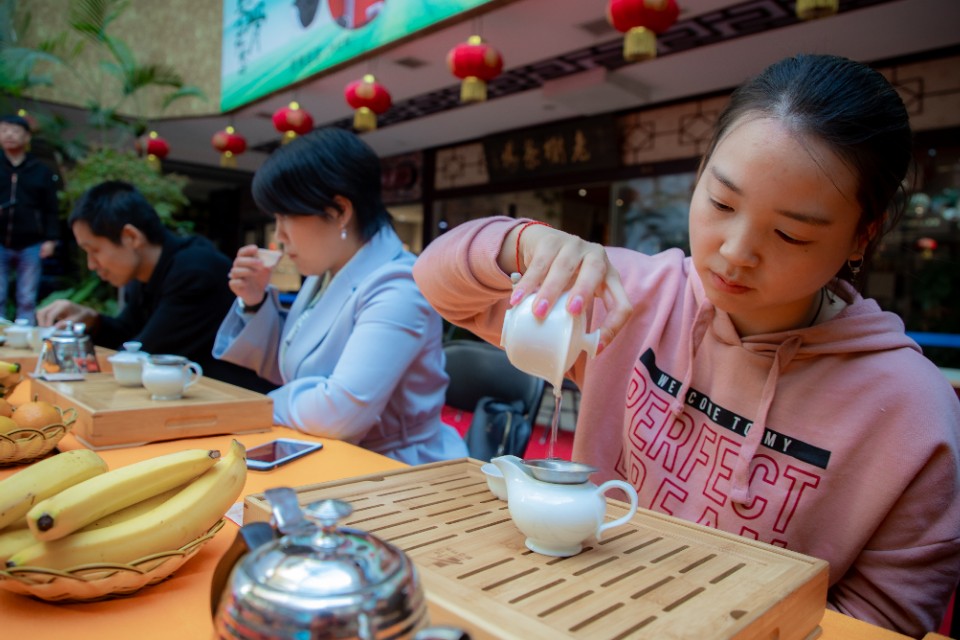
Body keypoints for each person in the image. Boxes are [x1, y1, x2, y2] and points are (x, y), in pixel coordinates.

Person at [413, 54, 960, 638]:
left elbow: (884, 621)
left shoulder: (914, 414)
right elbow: (440, 284)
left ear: (863, 233)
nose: (734, 251)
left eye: (790, 233)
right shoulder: (636, 297)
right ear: (700, 173)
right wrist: (526, 245)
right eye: (721, 203)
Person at [213, 127, 467, 465]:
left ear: (338, 211)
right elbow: (297, 366)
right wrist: (255, 300)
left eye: (286, 215)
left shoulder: (401, 286)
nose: (279, 236)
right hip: (325, 450)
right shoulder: (327, 274)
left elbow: (341, 411)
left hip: (398, 469)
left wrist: (261, 405)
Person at [36, 181, 274, 393]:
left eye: (94, 250)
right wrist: (93, 320)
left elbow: (141, 355)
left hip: (242, 407)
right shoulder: (146, 274)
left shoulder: (195, 272)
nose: (91, 264)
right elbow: (130, 334)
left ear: (131, 237)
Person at [0, 114, 60, 322]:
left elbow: (51, 208)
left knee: (27, 296)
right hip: (0, 241)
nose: (9, 135)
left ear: (26, 137)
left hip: (31, 242)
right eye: (4, 130)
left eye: (15, 131)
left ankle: (24, 337)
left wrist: (50, 239)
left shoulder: (40, 171)